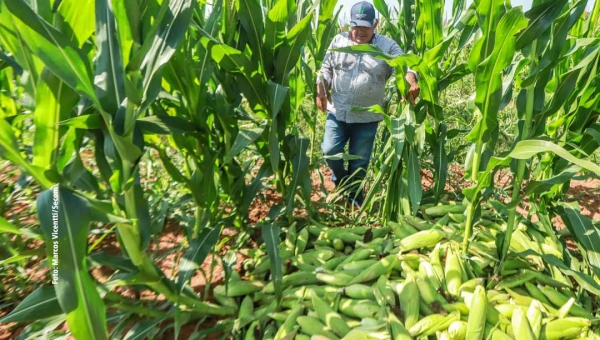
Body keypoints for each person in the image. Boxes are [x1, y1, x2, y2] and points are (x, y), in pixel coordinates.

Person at [316, 1, 420, 207]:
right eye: (355, 25)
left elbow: (406, 64)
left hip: (367, 117)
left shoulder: (387, 46)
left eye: (365, 26)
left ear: (376, 24)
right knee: (330, 151)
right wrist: (321, 86)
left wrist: (411, 78)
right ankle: (341, 181)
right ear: (349, 24)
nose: (359, 31)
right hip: (338, 111)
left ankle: (355, 199)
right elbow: (326, 68)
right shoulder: (338, 41)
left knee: (360, 161)